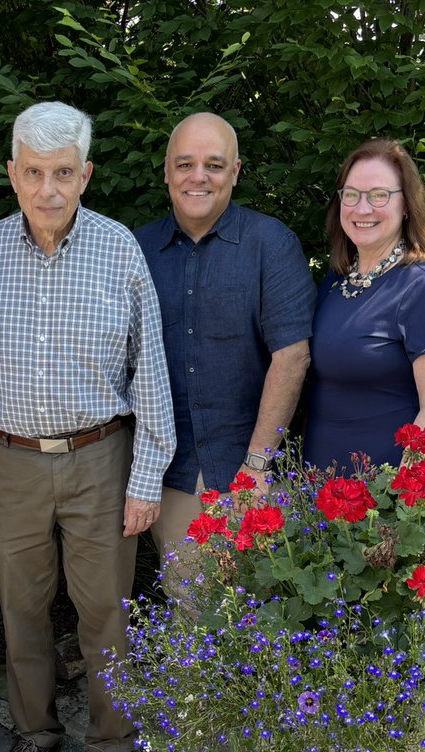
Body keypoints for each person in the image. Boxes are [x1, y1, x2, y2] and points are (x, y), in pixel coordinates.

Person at [0, 101, 176, 752]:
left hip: (98, 459)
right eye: (34, 173)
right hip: (8, 459)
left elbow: (153, 373)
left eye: (64, 173)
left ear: (86, 175)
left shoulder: (119, 250)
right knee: (20, 609)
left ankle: (113, 745)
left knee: (104, 610)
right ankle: (35, 733)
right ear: (13, 174)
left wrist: (145, 477)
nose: (48, 189)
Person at [134, 112, 315, 553]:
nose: (199, 177)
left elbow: (292, 357)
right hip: (165, 474)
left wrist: (256, 465)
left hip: (247, 471)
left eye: (214, 165)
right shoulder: (135, 250)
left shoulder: (270, 244)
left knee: (254, 615)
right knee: (192, 611)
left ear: (235, 172)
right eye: (185, 164)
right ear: (166, 171)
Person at [304, 138, 425, 473]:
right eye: (351, 195)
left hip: (390, 502)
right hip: (325, 499)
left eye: (379, 195)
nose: (362, 208)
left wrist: (401, 505)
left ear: (406, 204)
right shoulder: (337, 283)